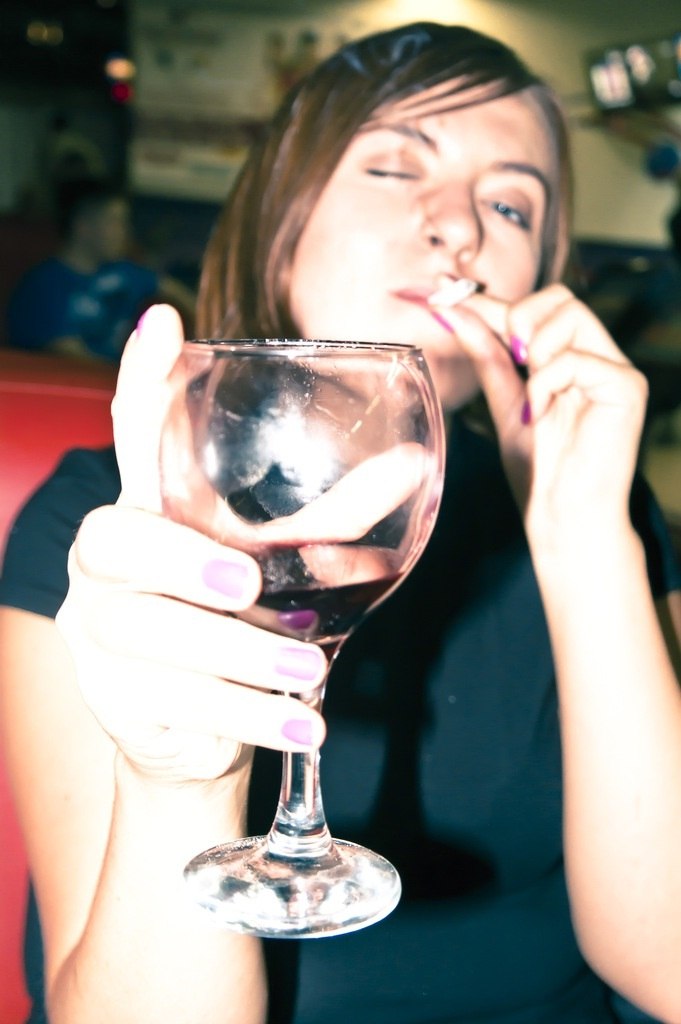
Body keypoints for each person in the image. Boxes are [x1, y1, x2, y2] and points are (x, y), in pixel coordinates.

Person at [0, 21, 680, 1024]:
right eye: (396, 167)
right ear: (283, 216)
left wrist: (583, 535)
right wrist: (183, 776)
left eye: (509, 204)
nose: (459, 228)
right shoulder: (103, 527)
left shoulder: (601, 503)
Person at [5, 176, 195, 362]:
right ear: (84, 226)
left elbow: (173, 290)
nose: (124, 231)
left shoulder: (124, 272)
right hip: (79, 378)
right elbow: (69, 356)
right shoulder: (44, 286)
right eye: (114, 221)